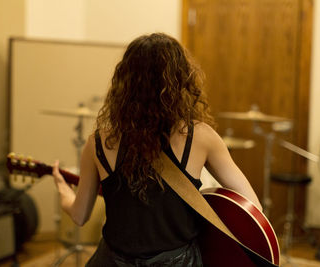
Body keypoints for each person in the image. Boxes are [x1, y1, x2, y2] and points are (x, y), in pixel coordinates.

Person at [52, 32, 262, 266]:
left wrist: (63, 189)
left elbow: (79, 216)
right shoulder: (200, 138)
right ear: (182, 79)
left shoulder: (98, 142)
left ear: (124, 81)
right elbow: (252, 207)